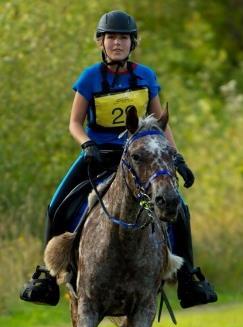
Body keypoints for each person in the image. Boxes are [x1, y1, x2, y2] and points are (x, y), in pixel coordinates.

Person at [20, 10, 217, 308]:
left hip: (142, 157)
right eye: (111, 37)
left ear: (132, 42)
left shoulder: (145, 76)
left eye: (123, 37)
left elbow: (161, 124)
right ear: (101, 42)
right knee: (56, 204)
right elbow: (73, 122)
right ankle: (47, 277)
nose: (117, 43)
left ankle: (189, 278)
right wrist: (87, 144)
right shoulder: (89, 78)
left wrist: (176, 159)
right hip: (99, 155)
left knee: (180, 208)